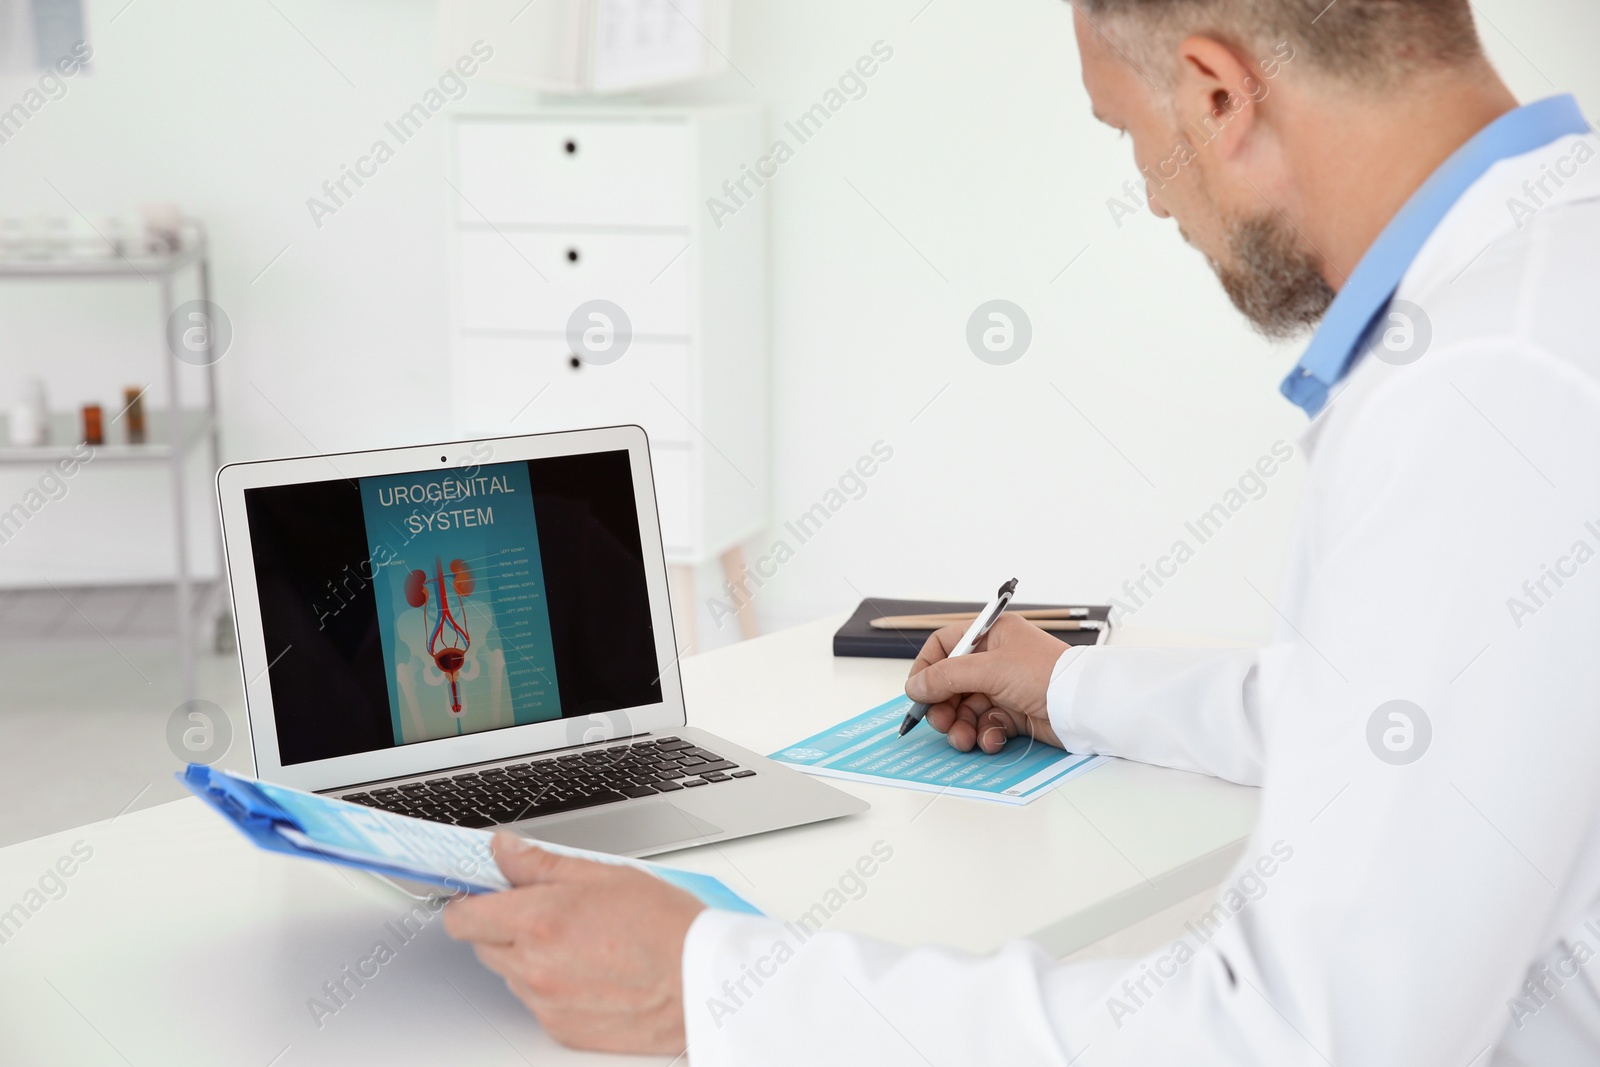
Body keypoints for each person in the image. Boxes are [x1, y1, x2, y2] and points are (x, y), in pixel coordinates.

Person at [443, 1, 1600, 1062]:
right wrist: (1076, 690)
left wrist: (707, 987)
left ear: (1213, 94)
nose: (1154, 195)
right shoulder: (1545, 280)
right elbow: (1396, 719)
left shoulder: (1479, 384)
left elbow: (1298, 1038)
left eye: (1125, 134)